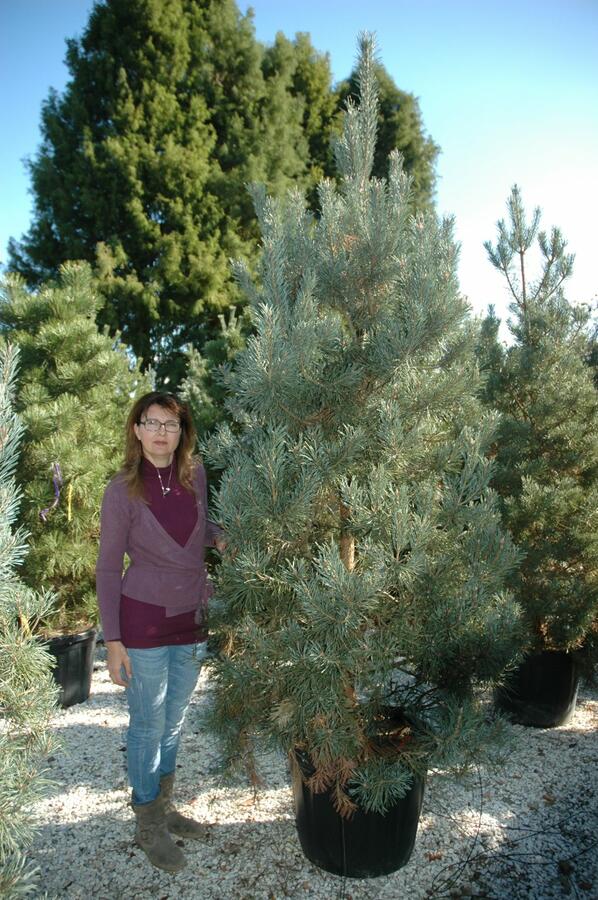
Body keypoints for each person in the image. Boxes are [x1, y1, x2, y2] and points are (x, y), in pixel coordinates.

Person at [96, 391, 225, 873]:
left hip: (192, 618)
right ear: (137, 430)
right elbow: (108, 569)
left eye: (170, 423)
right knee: (147, 724)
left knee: (174, 718)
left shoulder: (196, 475)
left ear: (181, 431)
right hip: (144, 623)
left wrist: (219, 537)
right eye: (151, 422)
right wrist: (112, 641)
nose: (161, 432)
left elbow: (196, 529)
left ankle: (164, 808)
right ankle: (147, 822)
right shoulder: (122, 489)